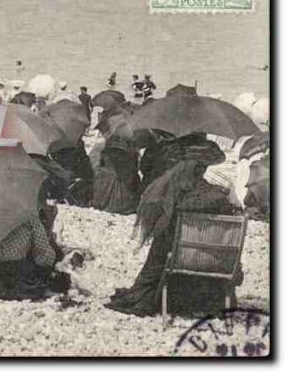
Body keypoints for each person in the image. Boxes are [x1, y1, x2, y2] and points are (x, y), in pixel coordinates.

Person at [106, 159, 241, 317]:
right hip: (217, 266)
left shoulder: (177, 205)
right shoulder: (224, 204)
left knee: (160, 252)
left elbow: (154, 266)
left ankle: (162, 299)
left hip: (181, 263)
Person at [91, 136, 141, 214]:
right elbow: (136, 168)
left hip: (101, 198)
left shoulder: (103, 146)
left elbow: (97, 165)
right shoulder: (132, 147)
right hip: (126, 203)